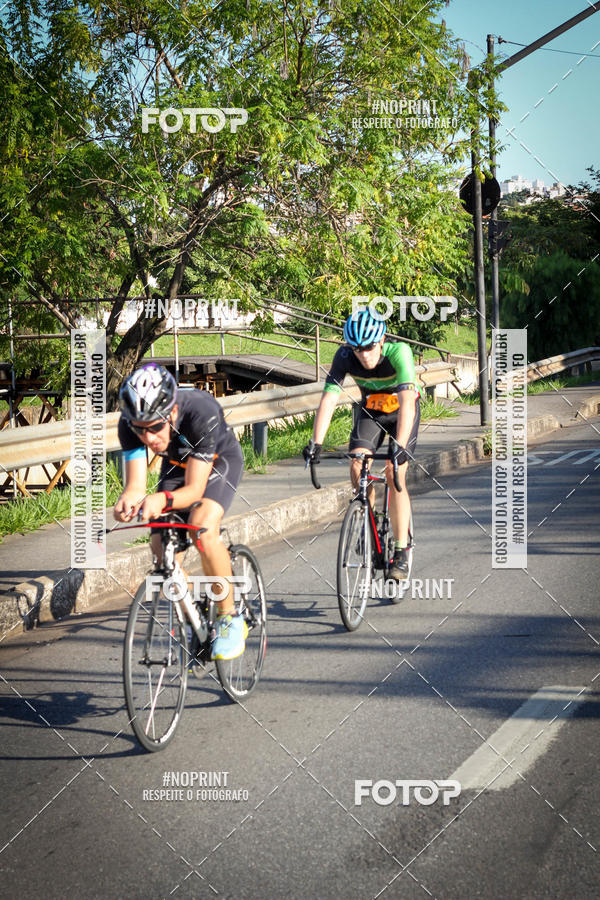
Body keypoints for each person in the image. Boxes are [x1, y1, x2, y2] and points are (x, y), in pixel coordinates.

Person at [114, 362, 246, 660]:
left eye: (156, 428)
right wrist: (128, 501)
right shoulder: (130, 422)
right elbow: (136, 485)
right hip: (176, 465)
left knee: (201, 528)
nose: (149, 439)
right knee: (160, 546)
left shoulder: (201, 411)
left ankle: (229, 616)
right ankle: (193, 620)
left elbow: (194, 491)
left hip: (217, 462)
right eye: (141, 430)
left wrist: (161, 500)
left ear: (172, 412)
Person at [303, 307, 420, 580]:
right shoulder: (344, 357)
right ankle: (365, 522)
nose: (364, 355)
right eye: (357, 349)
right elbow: (329, 399)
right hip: (371, 411)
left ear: (381, 341)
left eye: (369, 347)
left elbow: (407, 405)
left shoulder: (399, 352)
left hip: (402, 412)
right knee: (357, 465)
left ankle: (401, 551)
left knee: (394, 472)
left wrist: (400, 448)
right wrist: (316, 443)